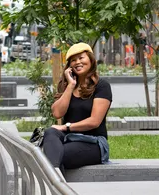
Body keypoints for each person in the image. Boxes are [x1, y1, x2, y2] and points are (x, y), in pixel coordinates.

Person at [41, 42, 112, 170]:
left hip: (93, 142)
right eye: (73, 60)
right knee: (50, 132)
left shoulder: (102, 86)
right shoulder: (66, 85)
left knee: (55, 155)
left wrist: (66, 127)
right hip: (69, 139)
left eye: (81, 58)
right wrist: (71, 86)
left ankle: (51, 180)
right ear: (69, 66)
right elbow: (57, 113)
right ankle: (55, 178)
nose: (77, 62)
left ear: (91, 60)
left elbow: (94, 121)